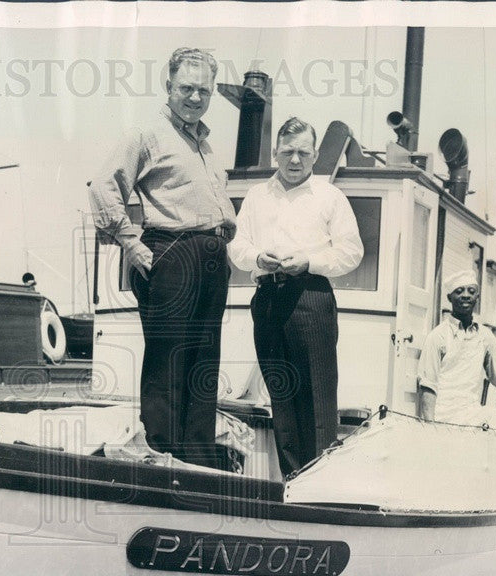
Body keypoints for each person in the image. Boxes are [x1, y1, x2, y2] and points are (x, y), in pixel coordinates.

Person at [88, 47, 237, 468]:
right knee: (167, 361)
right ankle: (161, 454)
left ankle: (198, 459)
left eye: (204, 90)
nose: (195, 97)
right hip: (170, 254)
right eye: (186, 88)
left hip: (210, 258)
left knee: (203, 360)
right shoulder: (146, 134)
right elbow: (103, 186)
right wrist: (132, 244)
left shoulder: (205, 145)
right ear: (168, 86)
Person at [229, 117, 364, 478]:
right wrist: (257, 258)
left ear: (316, 154)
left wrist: (310, 261)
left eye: (303, 152)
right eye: (287, 151)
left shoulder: (330, 197)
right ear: (276, 152)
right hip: (268, 300)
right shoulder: (257, 197)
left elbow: (351, 252)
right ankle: (291, 483)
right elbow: (237, 246)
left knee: (318, 401)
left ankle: (320, 490)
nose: (294, 160)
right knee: (282, 400)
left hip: (311, 297)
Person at [417, 269, 496, 436]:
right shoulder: (437, 337)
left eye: (471, 291)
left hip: (472, 413)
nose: (466, 295)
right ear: (449, 298)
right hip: (444, 416)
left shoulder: (484, 336)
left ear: (477, 298)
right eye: (459, 291)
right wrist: (430, 428)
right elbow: (428, 385)